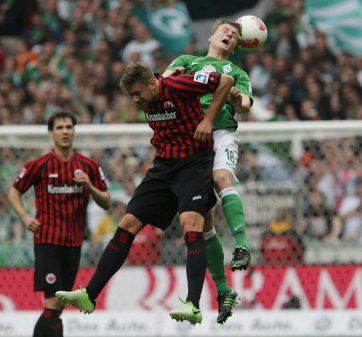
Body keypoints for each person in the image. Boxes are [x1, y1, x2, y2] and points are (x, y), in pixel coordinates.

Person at [56, 61, 233, 325]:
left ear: (152, 83)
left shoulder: (179, 84)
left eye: (138, 93)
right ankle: (89, 295)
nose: (136, 100)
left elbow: (225, 82)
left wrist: (208, 120)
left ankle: (193, 305)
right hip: (163, 166)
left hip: (195, 163)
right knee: (127, 222)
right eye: (132, 96)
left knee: (190, 222)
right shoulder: (147, 96)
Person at [163, 19, 253, 323]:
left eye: (235, 36)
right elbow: (164, 81)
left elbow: (246, 104)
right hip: (189, 137)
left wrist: (234, 97)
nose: (229, 35)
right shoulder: (188, 61)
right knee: (202, 220)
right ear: (212, 35)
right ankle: (225, 289)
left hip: (221, 131)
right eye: (225, 31)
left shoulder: (237, 73)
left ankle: (241, 246)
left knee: (221, 177)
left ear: (238, 45)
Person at [7, 111, 110, 337]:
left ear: (74, 131)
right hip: (47, 241)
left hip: (73, 244)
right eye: (60, 128)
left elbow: (106, 201)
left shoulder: (88, 166)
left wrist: (90, 187)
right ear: (51, 133)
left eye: (68, 127)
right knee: (53, 301)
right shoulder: (39, 164)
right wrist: (25, 217)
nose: (65, 132)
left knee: (57, 305)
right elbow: (14, 191)